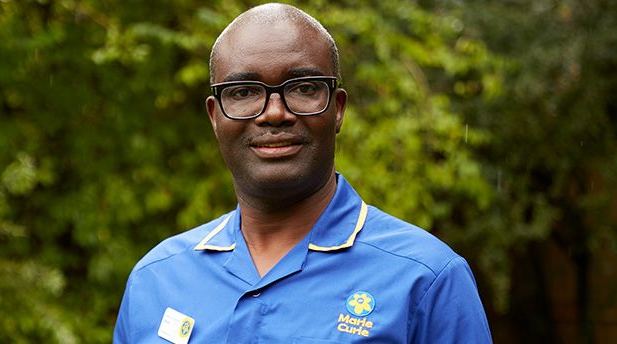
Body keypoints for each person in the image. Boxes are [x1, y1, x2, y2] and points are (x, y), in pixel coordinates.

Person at [114, 3, 492, 343]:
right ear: (215, 116)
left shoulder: (426, 280)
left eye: (303, 87)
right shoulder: (156, 281)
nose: (274, 112)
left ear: (338, 108)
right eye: (243, 91)